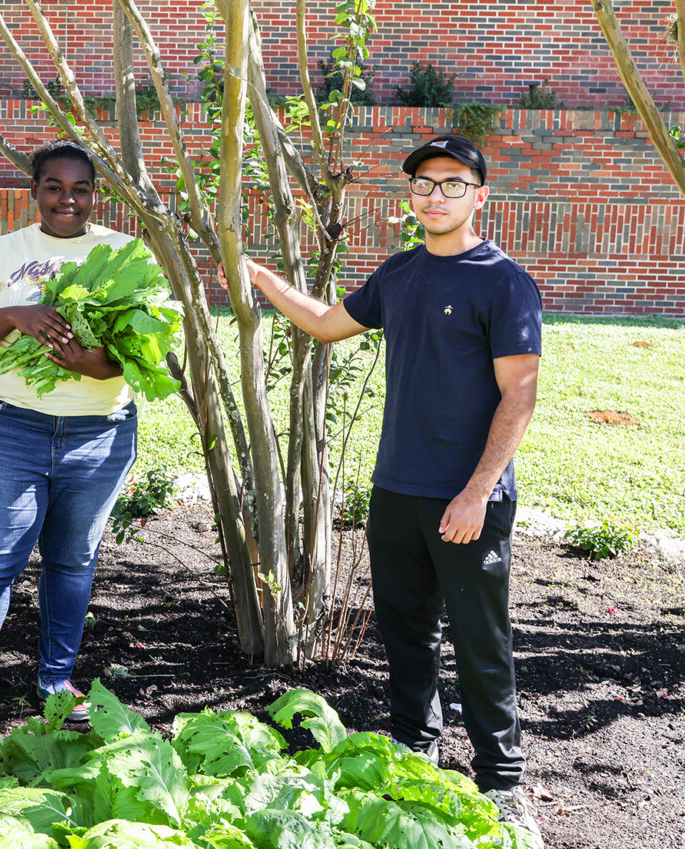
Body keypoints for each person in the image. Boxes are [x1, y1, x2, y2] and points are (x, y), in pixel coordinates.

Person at [227, 134, 543, 842]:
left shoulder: (502, 280)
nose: (436, 195)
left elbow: (518, 396)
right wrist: (258, 275)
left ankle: (503, 781)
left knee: (479, 640)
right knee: (407, 635)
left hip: (467, 496)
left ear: (480, 195)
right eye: (424, 184)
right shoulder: (399, 275)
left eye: (453, 183)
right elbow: (322, 323)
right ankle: (414, 754)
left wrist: (478, 491)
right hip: (396, 490)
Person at [0, 140, 138, 723]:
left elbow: (139, 354)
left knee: (72, 562)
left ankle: (54, 682)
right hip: (10, 429)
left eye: (80, 189)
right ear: (35, 191)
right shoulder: (3, 253)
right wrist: (14, 316)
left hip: (98, 434)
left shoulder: (125, 255)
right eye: (54, 187)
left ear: (94, 194)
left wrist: (84, 363)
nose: (67, 199)